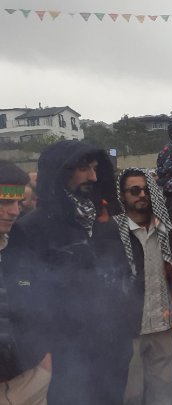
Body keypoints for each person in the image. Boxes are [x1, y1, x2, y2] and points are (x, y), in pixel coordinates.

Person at [3, 140, 137, 404]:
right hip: (66, 361)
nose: (93, 177)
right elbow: (24, 302)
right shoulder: (30, 229)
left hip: (112, 354)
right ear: (61, 173)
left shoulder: (104, 224)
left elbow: (122, 278)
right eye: (84, 169)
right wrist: (45, 355)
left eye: (95, 168)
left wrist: (124, 333)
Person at [115, 168, 172, 405]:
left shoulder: (166, 229)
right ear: (123, 195)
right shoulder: (113, 232)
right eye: (134, 190)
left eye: (146, 189)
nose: (142, 195)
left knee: (163, 390)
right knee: (130, 393)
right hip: (130, 328)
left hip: (163, 324)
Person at [0, 160, 51, 405]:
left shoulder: (19, 243)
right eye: (4, 202)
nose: (14, 211)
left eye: (18, 203)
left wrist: (43, 361)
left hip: (31, 380)